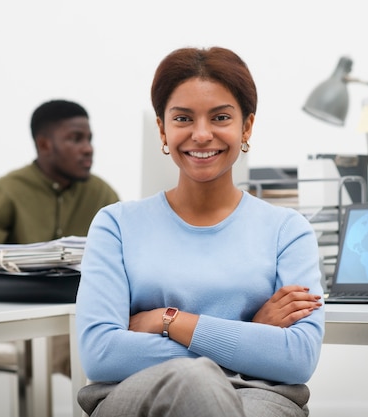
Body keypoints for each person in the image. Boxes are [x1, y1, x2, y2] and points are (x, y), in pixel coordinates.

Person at [76, 47, 325, 417]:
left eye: (221, 117)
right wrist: (245, 336)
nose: (202, 134)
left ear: (247, 127)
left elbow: (298, 358)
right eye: (183, 118)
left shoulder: (288, 230)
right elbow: (101, 354)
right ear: (162, 128)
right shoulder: (116, 225)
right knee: (197, 382)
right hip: (139, 395)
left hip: (258, 398)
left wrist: (169, 320)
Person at [0, 99, 119, 377]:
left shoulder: (101, 194)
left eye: (89, 139)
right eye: (76, 139)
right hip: (20, 322)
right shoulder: (6, 191)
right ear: (45, 144)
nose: (88, 148)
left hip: (81, 315)